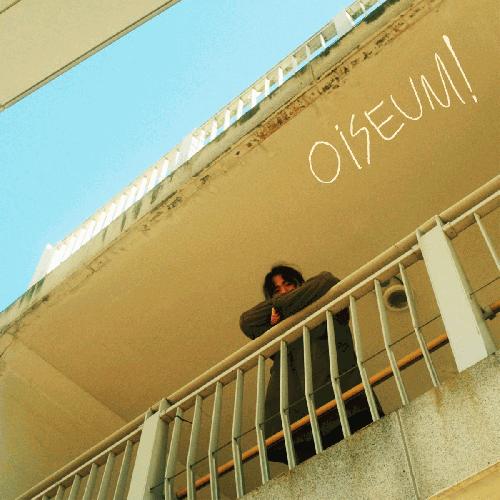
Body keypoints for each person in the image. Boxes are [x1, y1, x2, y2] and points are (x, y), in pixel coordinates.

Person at [239, 265, 378, 464]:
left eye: (288, 285)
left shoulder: (324, 304)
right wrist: (287, 310)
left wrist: (282, 307)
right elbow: (247, 321)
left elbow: (327, 281)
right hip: (301, 424)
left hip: (344, 404)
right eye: (277, 291)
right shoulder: (277, 331)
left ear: (300, 285)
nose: (284, 291)